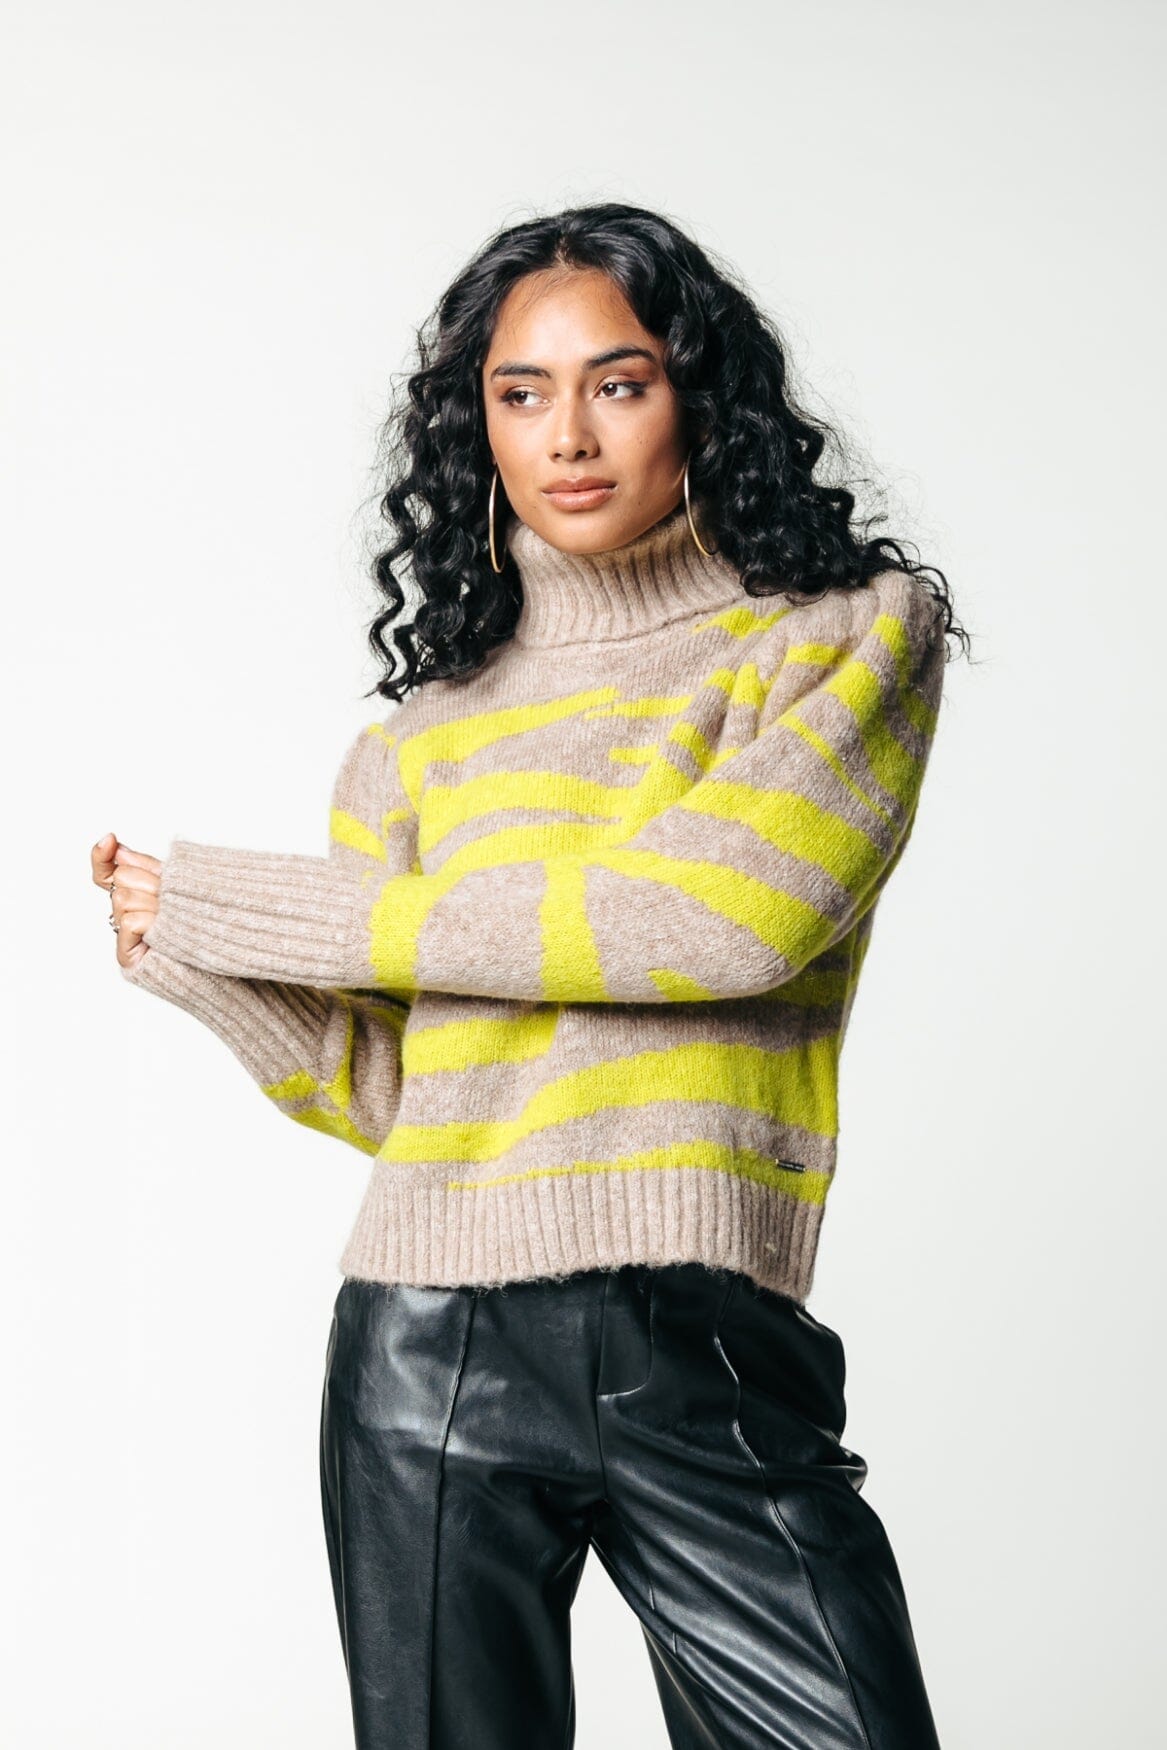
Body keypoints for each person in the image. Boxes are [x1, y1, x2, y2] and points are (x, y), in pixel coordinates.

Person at [93, 202, 968, 1750]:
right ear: (475, 424)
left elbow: (718, 920)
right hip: (425, 1346)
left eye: (619, 383)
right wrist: (201, 957)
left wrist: (291, 911)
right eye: (521, 393)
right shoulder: (420, 738)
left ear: (699, 394)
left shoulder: (839, 640)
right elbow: (408, 1089)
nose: (568, 434)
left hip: (701, 1343)